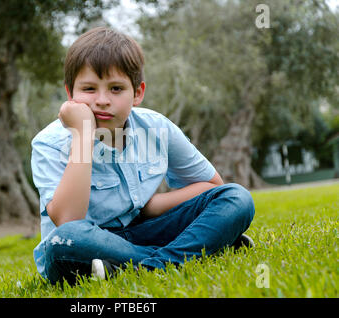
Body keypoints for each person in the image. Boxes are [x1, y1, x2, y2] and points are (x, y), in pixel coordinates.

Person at [31, 26, 255, 285]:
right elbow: (69, 221)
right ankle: (194, 251)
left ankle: (140, 266)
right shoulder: (49, 144)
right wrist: (82, 135)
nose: (102, 100)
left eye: (116, 89)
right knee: (65, 241)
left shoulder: (157, 128)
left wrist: (151, 208)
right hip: (85, 244)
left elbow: (212, 186)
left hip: (142, 234)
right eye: (89, 89)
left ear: (137, 93)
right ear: (70, 94)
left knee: (236, 197)